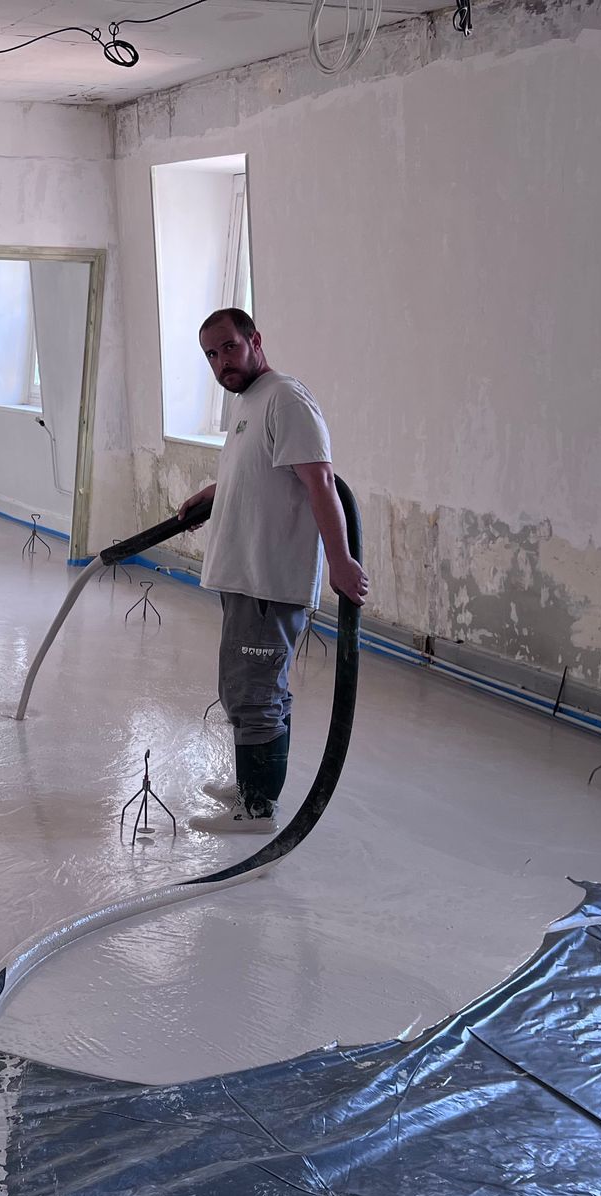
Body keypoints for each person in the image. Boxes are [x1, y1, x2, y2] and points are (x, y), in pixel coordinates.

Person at [176, 308, 369, 834]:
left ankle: (258, 809)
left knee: (254, 693)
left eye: (229, 349)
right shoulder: (251, 403)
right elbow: (262, 473)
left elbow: (320, 482)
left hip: (267, 578)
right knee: (248, 688)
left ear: (254, 340)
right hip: (243, 576)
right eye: (211, 356)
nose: (221, 363)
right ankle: (253, 785)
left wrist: (341, 561)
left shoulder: (285, 397)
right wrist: (212, 496)